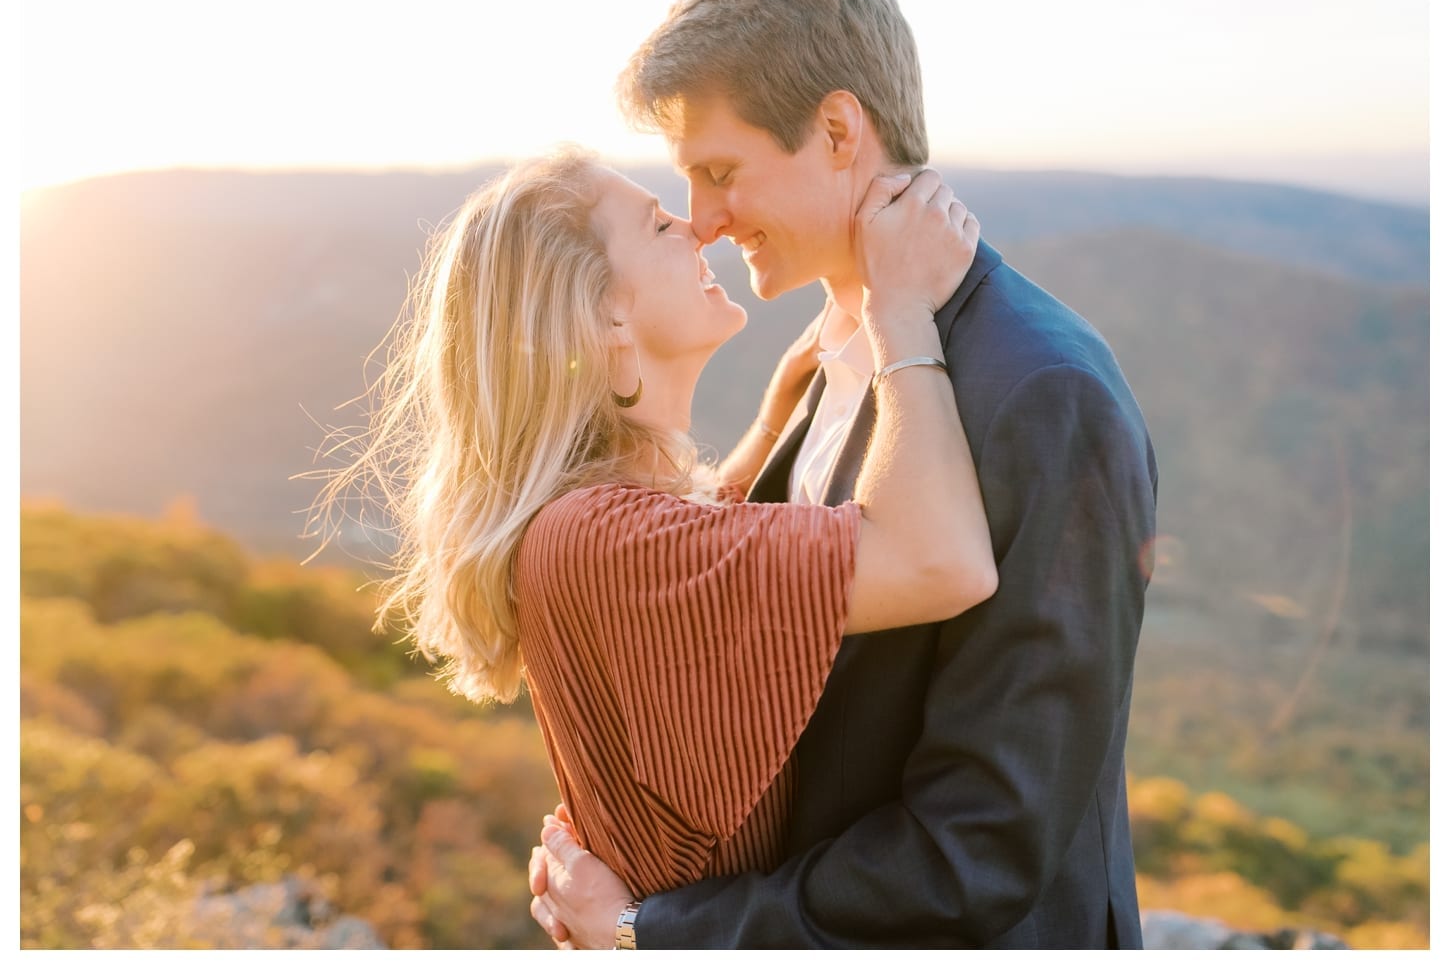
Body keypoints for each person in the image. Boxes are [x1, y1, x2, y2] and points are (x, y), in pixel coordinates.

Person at [528, 0, 1158, 949]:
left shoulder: (1041, 394)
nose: (701, 221)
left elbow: (979, 850)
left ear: (835, 131)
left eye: (720, 173)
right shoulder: (830, 358)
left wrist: (660, 927)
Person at [315, 142, 997, 904]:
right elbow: (942, 563)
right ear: (605, 315)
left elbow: (702, 540)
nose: (697, 228)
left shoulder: (590, 523)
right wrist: (900, 313)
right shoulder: (602, 539)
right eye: (658, 226)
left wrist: (775, 420)